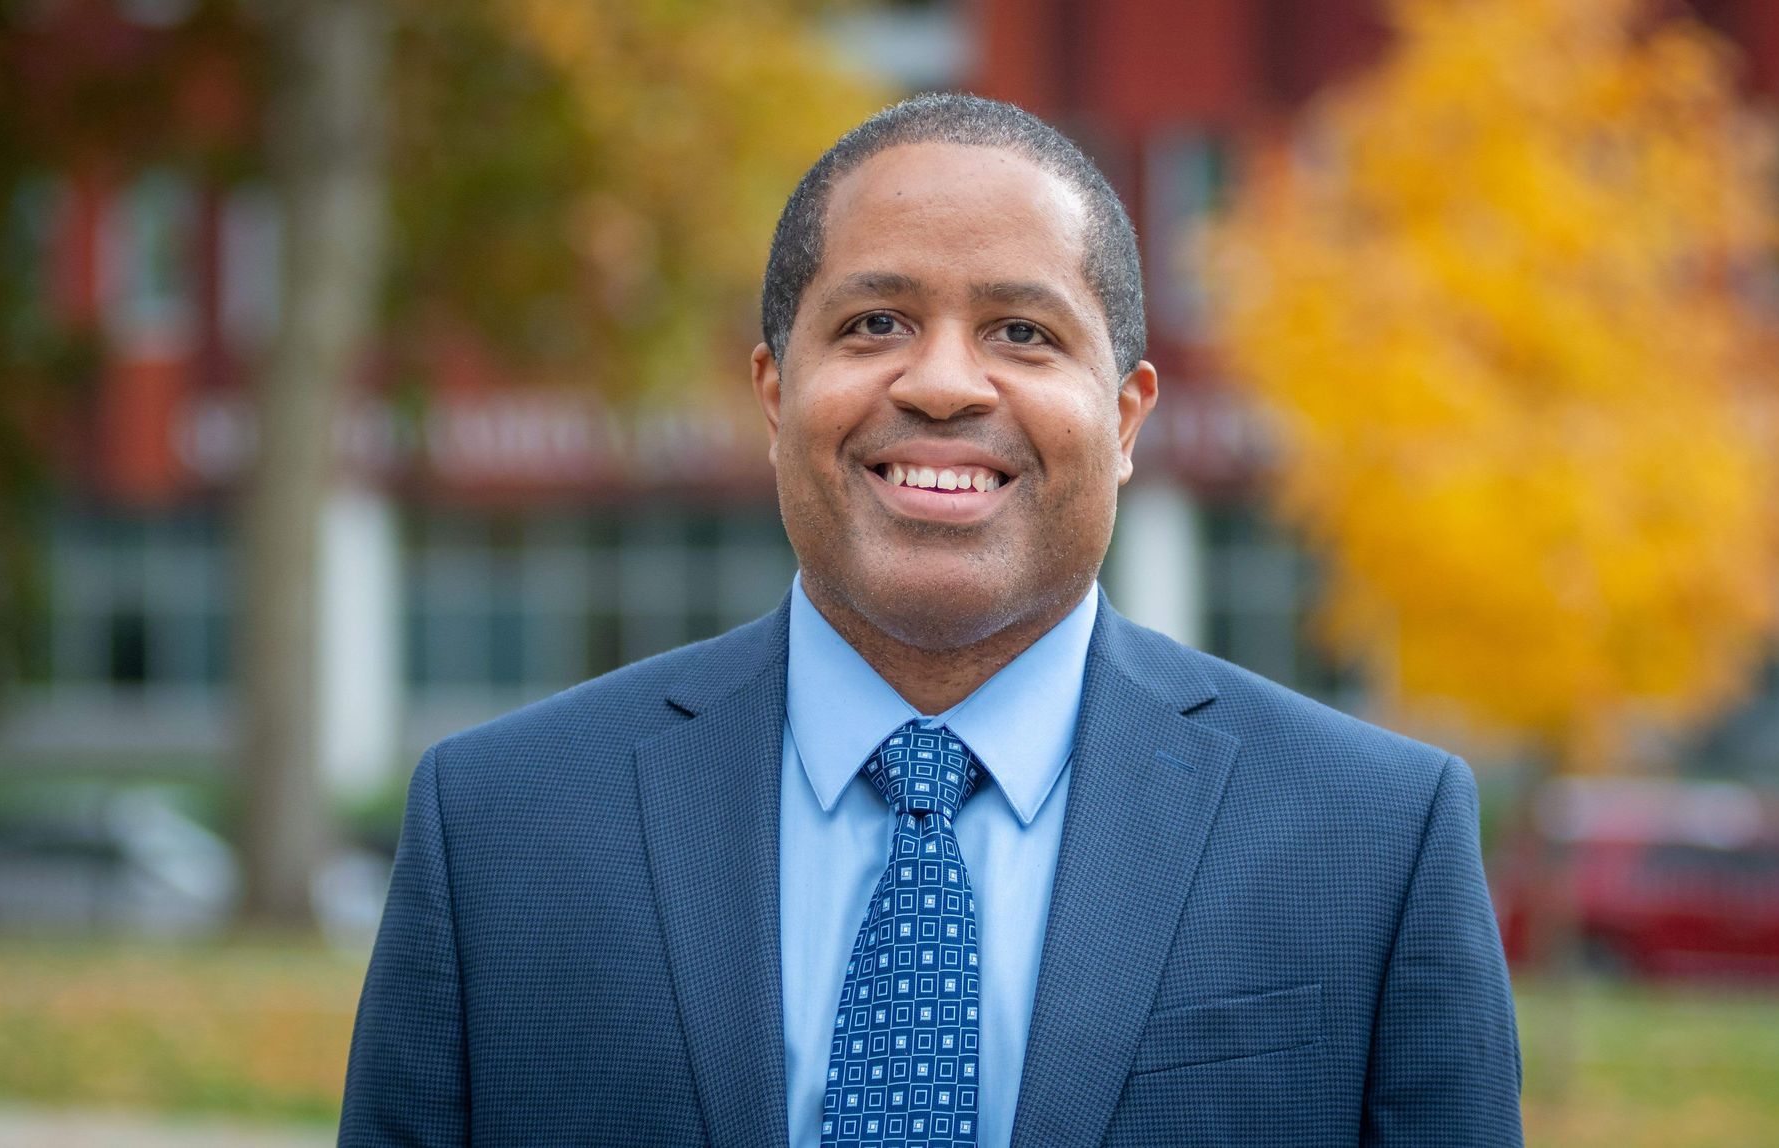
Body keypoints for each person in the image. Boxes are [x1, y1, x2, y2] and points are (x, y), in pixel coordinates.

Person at [338, 93, 1523, 1148]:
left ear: (1125, 417)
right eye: (874, 324)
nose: (944, 383)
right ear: (773, 391)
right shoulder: (500, 827)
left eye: (1023, 330)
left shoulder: (1374, 840)